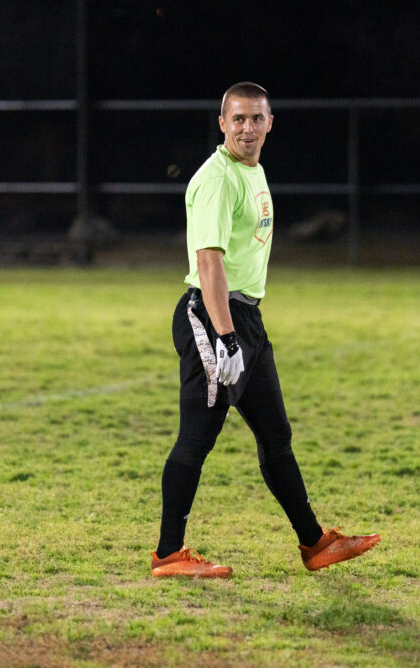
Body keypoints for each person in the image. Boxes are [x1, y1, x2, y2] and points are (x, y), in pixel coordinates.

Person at [152, 82, 381, 578]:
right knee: (196, 437)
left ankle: (314, 544)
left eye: (256, 118)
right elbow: (209, 263)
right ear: (222, 123)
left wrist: (240, 331)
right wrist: (225, 337)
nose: (247, 127)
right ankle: (169, 554)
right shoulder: (217, 179)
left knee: (276, 434)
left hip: (245, 320)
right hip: (213, 318)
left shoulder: (251, 170)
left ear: (270, 122)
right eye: (238, 119)